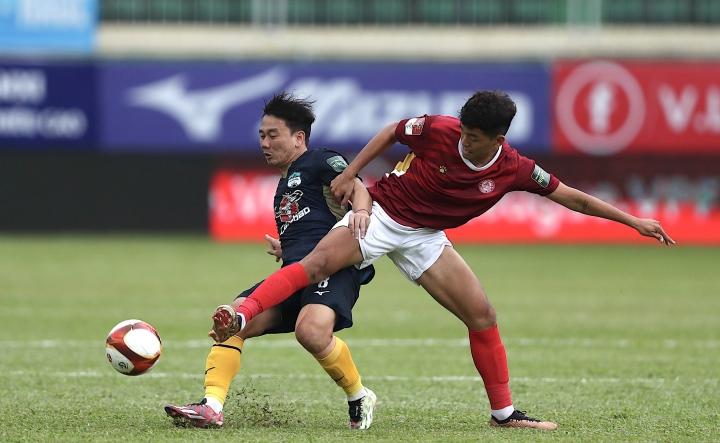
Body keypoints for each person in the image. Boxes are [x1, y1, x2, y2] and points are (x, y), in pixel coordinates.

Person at [212, 90, 675, 431]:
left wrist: (633, 221)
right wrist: (354, 175)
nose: (464, 142)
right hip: (386, 214)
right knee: (315, 265)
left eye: (474, 137)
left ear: (498, 138)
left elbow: (573, 199)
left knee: (482, 315)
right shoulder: (439, 129)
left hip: (427, 237)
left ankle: (504, 414)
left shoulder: (514, 168)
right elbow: (393, 131)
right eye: (464, 131)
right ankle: (240, 313)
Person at [165, 93, 377, 430]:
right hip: (294, 272)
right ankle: (212, 406)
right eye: (261, 135)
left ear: (298, 138)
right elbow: (312, 222)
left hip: (332, 270)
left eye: (273, 135)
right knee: (231, 319)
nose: (265, 142)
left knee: (310, 331)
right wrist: (287, 248)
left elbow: (356, 187)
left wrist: (362, 210)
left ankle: (358, 395)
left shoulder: (320, 160)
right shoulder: (283, 185)